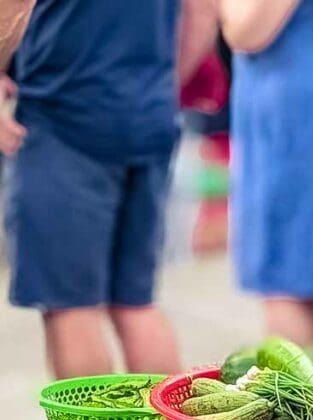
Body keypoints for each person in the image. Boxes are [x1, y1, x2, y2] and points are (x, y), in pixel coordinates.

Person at [0, 0, 214, 380]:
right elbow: (201, 10)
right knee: (134, 303)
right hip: (148, 118)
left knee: (70, 306)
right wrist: (157, 91)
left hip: (65, 119)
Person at [219, 0, 313, 353]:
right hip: (310, 101)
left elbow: (247, 32)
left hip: (294, 116)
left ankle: (298, 404)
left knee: (284, 278)